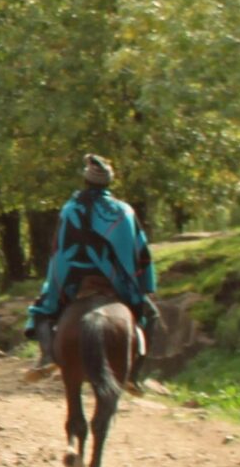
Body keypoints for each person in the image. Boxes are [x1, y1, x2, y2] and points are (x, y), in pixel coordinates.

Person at [26, 153, 160, 365]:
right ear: (109, 182)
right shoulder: (124, 211)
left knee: (41, 311)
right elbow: (140, 252)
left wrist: (57, 279)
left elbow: (59, 250)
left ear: (85, 181)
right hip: (118, 283)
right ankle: (135, 375)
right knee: (151, 315)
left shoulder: (70, 210)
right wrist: (146, 285)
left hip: (75, 280)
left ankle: (47, 358)